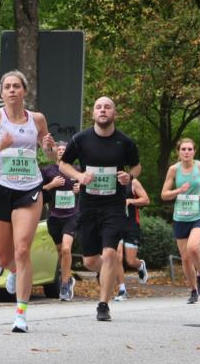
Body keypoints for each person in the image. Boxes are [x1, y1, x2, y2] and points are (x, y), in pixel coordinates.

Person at [0, 70, 55, 331]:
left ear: (24, 91)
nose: (11, 91)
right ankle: (15, 272)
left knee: (22, 250)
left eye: (16, 86)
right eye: (7, 87)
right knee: (6, 257)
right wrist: (0, 147)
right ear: (1, 92)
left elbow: (51, 157)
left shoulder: (37, 119)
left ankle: (21, 314)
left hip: (28, 188)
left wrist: (51, 148)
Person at [59, 97, 141, 322]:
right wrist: (79, 176)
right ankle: (108, 272)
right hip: (89, 205)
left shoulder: (124, 142)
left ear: (114, 113)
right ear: (93, 113)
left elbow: (136, 165)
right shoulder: (81, 139)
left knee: (111, 253)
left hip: (114, 206)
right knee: (90, 261)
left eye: (107, 107)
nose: (103, 110)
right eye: (99, 107)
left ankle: (103, 305)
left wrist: (129, 176)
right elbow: (63, 164)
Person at [160, 138, 200, 305]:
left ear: (194, 151)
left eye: (189, 149)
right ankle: (194, 290)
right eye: (183, 149)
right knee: (185, 258)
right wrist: (179, 190)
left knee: (193, 247)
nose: (186, 152)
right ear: (178, 152)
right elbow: (164, 195)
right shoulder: (173, 170)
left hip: (199, 214)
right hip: (180, 216)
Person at [40, 140, 80, 301]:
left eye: (66, 149)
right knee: (60, 252)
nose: (62, 151)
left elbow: (89, 189)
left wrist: (80, 189)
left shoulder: (76, 171)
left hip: (72, 216)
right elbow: (38, 190)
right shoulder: (48, 171)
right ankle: (68, 278)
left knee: (65, 249)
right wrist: (52, 184)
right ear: (55, 152)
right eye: (60, 148)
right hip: (54, 218)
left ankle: (64, 286)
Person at [112, 177, 151, 301]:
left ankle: (140, 266)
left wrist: (131, 201)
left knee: (130, 260)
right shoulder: (108, 182)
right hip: (114, 225)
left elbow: (146, 200)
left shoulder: (132, 182)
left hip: (131, 226)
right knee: (117, 257)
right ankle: (122, 290)